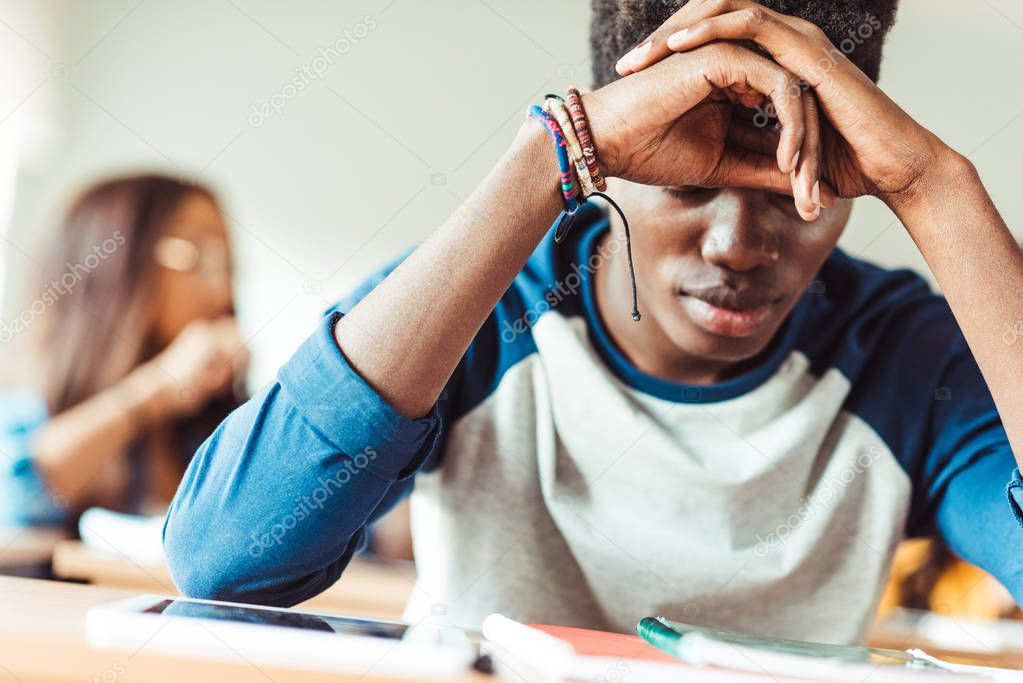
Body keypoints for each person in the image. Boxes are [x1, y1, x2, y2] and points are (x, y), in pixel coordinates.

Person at [164, 0, 1023, 644]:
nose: (736, 244)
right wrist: (549, 152)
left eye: (801, 189)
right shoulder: (488, 300)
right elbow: (225, 565)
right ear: (620, 151)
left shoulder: (909, 355)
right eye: (688, 182)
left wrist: (937, 190)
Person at [0, 174, 247, 530]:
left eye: (225, 263)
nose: (223, 289)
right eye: (196, 256)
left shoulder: (204, 423)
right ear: (112, 263)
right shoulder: (26, 406)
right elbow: (20, 494)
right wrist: (157, 387)